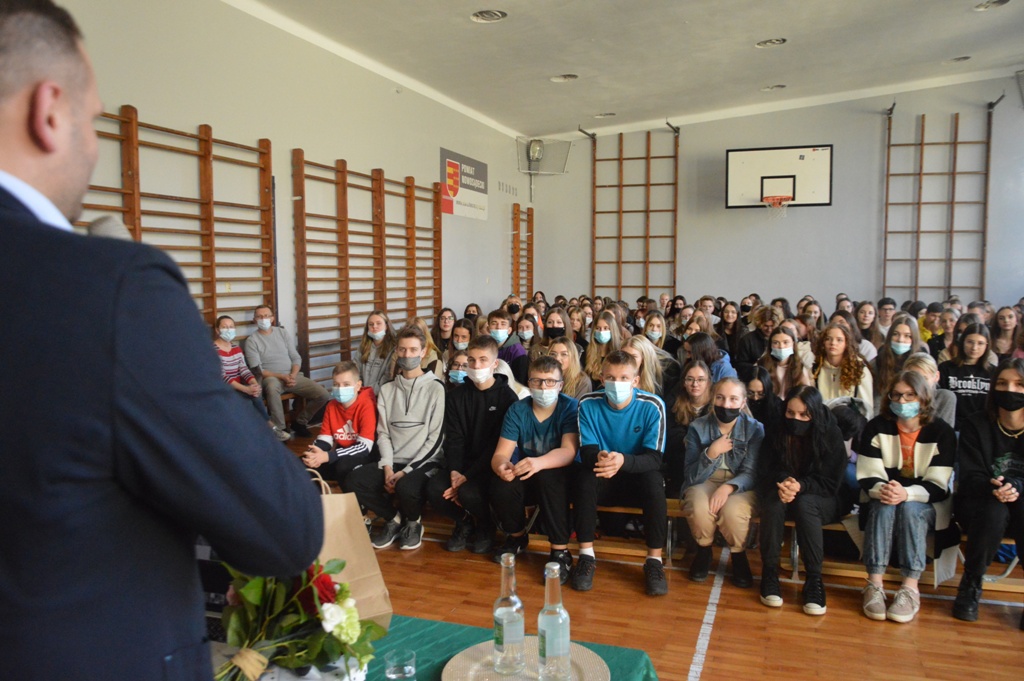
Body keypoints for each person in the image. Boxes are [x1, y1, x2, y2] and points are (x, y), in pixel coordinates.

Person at [0, 4, 323, 677]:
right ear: (49, 111)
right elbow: (283, 527)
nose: (93, 148)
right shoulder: (110, 290)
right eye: (93, 121)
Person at [858, 371, 956, 624]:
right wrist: (887, 491)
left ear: (923, 398)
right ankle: (874, 583)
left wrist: (907, 493)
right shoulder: (876, 426)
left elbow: (939, 485)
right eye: (897, 395)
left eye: (910, 395)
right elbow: (868, 475)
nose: (902, 401)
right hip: (883, 494)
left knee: (911, 509)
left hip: (927, 501)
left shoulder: (941, 432)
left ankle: (910, 588)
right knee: (883, 506)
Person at [572, 351, 669, 596]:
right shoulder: (587, 403)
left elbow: (654, 458)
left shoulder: (653, 405)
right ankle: (586, 556)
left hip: (636, 478)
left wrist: (623, 461)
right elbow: (587, 451)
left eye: (624, 378)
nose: (617, 384)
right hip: (604, 474)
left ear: (635, 381)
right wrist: (601, 458)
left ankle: (654, 561)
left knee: (654, 480)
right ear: (601, 379)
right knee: (584, 477)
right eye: (611, 378)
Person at [348, 326, 445, 551]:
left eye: (413, 350)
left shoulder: (436, 388)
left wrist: (406, 471)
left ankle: (413, 523)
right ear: (396, 352)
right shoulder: (387, 389)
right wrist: (388, 467)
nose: (407, 355)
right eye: (402, 350)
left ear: (423, 352)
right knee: (354, 480)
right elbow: (383, 433)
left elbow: (435, 439)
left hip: (423, 462)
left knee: (406, 486)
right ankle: (393, 519)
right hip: (394, 460)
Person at [757, 386, 847, 615]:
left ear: (814, 413)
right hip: (784, 488)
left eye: (803, 415)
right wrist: (785, 481)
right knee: (773, 501)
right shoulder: (776, 427)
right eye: (790, 413)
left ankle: (814, 580)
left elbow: (830, 483)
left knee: (805, 503)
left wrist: (801, 486)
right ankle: (770, 573)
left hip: (822, 497)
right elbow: (766, 469)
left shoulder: (830, 433)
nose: (795, 419)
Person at [490, 355, 580, 582]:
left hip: (561, 474)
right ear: (529, 383)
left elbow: (568, 452)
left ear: (560, 385)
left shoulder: (570, 407)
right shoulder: (517, 410)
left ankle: (560, 550)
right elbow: (501, 454)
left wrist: (538, 463)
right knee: (502, 482)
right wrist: (502, 466)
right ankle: (517, 536)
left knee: (549, 478)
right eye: (537, 381)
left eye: (550, 381)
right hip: (529, 472)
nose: (543, 387)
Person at [428, 336, 518, 554]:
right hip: (461, 464)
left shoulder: (508, 397)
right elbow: (454, 438)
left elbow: (497, 445)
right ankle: (464, 522)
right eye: (471, 360)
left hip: (490, 464)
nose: (476, 366)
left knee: (469, 492)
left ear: (495, 364)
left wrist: (467, 476)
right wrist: (455, 471)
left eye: (483, 360)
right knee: (435, 489)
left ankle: (486, 525)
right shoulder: (456, 396)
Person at [953, 359, 1024, 627]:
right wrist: (997, 487)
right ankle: (971, 585)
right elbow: (970, 476)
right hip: (980, 501)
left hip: (1021, 502)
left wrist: (1016, 487)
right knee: (994, 510)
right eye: (1003, 383)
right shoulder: (976, 423)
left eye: (1019, 384)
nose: (1010, 390)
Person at [682, 377, 764, 588]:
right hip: (705, 479)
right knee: (699, 506)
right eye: (720, 397)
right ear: (713, 399)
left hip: (741, 484)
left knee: (733, 510)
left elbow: (751, 473)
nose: (726, 405)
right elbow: (691, 476)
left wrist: (728, 488)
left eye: (733, 399)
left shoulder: (755, 429)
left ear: (743, 402)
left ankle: (738, 555)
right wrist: (711, 453)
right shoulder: (697, 427)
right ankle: (704, 550)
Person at [244, 304, 330, 436]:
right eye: (260, 317)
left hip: (292, 375)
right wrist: (282, 376)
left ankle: (300, 422)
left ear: (272, 318)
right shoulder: (252, 341)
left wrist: (292, 375)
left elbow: (295, 357)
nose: (263, 319)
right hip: (271, 378)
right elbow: (258, 370)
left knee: (323, 394)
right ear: (255, 320)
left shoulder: (282, 333)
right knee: (272, 388)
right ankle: (280, 429)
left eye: (266, 316)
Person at [302, 361, 377, 489]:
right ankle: (319, 499)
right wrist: (314, 453)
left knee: (343, 466)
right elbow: (325, 438)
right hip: (341, 452)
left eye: (346, 384)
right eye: (336, 384)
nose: (340, 389)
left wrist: (328, 456)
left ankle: (352, 500)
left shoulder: (367, 405)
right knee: (304, 463)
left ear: (358, 386)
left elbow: (364, 447)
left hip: (364, 455)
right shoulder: (331, 405)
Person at [213, 315, 287, 441]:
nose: (228, 330)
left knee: (255, 394)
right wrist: (245, 389)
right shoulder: (212, 349)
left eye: (231, 327)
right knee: (246, 402)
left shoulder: (236, 349)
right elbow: (222, 376)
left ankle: (270, 428)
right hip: (222, 389)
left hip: (237, 388)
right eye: (224, 327)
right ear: (217, 330)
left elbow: (243, 369)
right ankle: (262, 432)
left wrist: (253, 383)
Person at [664, 360, 712, 497]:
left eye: (700, 380)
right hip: (680, 455)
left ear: (708, 382)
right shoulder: (673, 401)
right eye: (690, 379)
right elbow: (670, 433)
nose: (695, 384)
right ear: (684, 382)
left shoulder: (717, 402)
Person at [939, 322, 997, 427]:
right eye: (970, 342)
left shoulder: (993, 372)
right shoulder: (945, 368)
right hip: (953, 426)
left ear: (987, 345)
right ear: (962, 342)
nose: (974, 347)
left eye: (980, 343)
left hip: (982, 427)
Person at [812, 322, 874, 416]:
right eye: (828, 339)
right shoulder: (815, 369)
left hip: (850, 421)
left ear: (846, 344)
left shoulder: (859, 369)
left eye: (839, 340)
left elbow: (866, 407)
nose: (833, 343)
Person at [903, 352, 956, 428]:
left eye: (924, 378)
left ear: (936, 377)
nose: (919, 384)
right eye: (914, 379)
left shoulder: (944, 397)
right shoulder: (899, 397)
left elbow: (944, 431)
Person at [757, 327, 812, 398]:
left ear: (793, 344)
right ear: (770, 345)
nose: (781, 346)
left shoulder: (800, 367)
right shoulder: (762, 364)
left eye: (785, 342)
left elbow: (807, 394)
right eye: (776, 343)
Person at [354, 309, 397, 395]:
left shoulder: (394, 348)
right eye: (371, 324)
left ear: (386, 326)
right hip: (362, 393)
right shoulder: (363, 346)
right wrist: (360, 389)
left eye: (378, 323)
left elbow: (388, 376)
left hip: (381, 394)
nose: (374, 327)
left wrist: (369, 392)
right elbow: (355, 369)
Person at [735, 305, 782, 381]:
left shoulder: (782, 339)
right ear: (759, 324)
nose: (769, 330)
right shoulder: (747, 340)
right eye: (766, 326)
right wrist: (758, 367)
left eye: (772, 326)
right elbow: (740, 365)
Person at [582, 310, 622, 388]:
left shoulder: (620, 352)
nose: (601, 332)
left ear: (612, 330)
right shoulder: (586, 352)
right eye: (598, 328)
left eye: (606, 328)